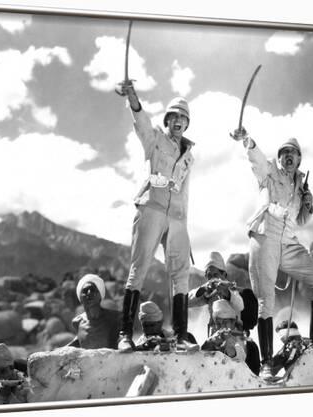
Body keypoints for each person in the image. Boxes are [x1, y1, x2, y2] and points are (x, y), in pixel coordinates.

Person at [232, 127, 313, 379]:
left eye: (293, 153)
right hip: (265, 235)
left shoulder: (300, 183)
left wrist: (308, 204)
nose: (289, 156)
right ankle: (267, 362)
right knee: (266, 302)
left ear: (300, 159)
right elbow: (256, 159)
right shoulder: (269, 172)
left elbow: (300, 221)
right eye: (285, 152)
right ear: (278, 157)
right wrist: (247, 140)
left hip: (288, 241)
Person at [117, 82, 197, 352]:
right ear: (167, 120)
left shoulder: (189, 157)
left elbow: (185, 190)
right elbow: (141, 123)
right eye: (173, 116)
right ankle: (124, 334)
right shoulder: (155, 139)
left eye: (182, 118)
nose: (178, 121)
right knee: (139, 269)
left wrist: (184, 225)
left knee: (181, 274)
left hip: (176, 216)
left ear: (187, 124)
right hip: (151, 206)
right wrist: (132, 98)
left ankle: (181, 336)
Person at [188, 251, 245, 335]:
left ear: (224, 275)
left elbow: (240, 305)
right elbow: (186, 302)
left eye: (215, 274)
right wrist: (202, 289)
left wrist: (227, 293)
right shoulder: (208, 292)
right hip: (214, 336)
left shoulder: (232, 289)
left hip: (234, 336)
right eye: (209, 276)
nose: (212, 279)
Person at [67, 274, 121, 349]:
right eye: (85, 291)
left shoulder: (116, 317)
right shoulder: (77, 322)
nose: (89, 293)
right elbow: (79, 341)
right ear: (80, 298)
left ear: (100, 295)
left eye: (93, 290)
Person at [201, 300, 248, 364]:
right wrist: (211, 342)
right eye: (218, 323)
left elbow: (240, 358)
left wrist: (230, 346)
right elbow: (202, 355)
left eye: (225, 322)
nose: (222, 326)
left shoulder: (240, 338)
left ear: (233, 322)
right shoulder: (215, 337)